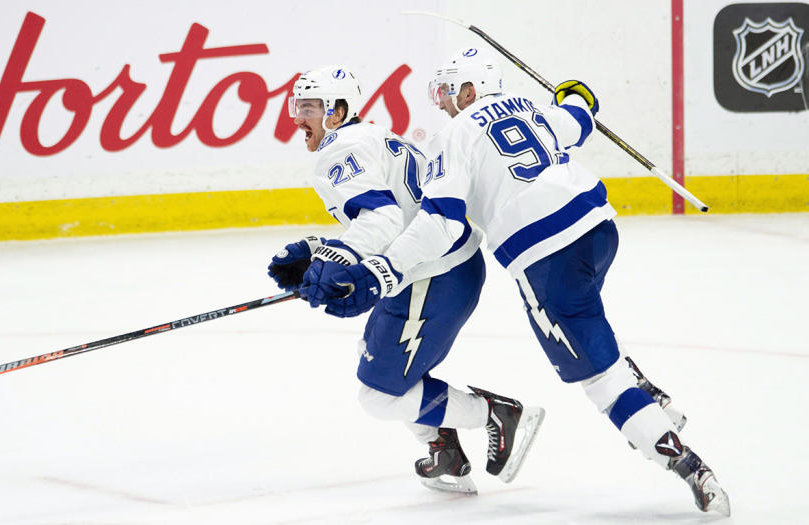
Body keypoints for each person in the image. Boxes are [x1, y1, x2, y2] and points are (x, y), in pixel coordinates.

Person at [303, 49, 730, 516]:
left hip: (546, 256)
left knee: (598, 377)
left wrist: (383, 270)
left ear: (468, 90)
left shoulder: (455, 134)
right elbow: (579, 117)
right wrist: (576, 94)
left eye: (447, 91)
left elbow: (440, 222)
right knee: (588, 320)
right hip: (600, 229)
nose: (443, 103)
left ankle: (691, 467)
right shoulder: (529, 108)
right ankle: (643, 388)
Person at [267, 65, 544, 493]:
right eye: (296, 106)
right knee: (374, 358)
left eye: (310, 108)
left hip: (433, 276)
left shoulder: (338, 149)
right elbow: (391, 215)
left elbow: (381, 218)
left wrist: (337, 259)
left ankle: (494, 413)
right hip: (431, 269)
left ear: (338, 111)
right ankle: (445, 451)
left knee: (379, 396)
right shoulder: (373, 136)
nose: (298, 117)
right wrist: (319, 251)